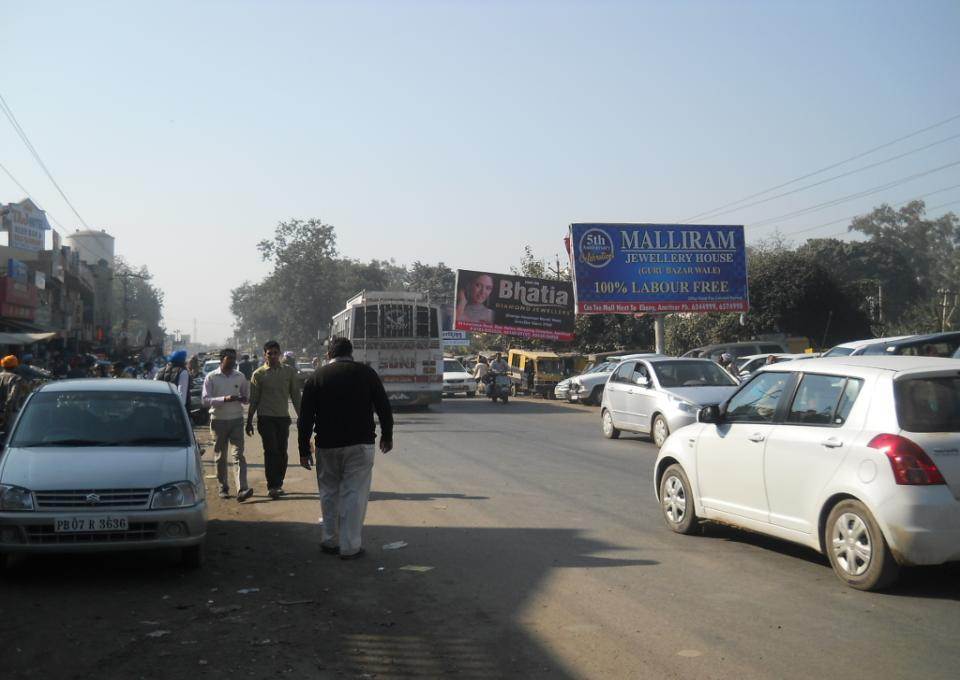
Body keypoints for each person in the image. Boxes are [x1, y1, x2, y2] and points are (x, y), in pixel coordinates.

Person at [297, 337, 393, 560]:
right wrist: (387, 436)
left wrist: (303, 449)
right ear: (351, 353)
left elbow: (305, 419)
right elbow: (384, 408)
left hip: (327, 445)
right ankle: (350, 546)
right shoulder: (367, 374)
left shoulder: (316, 377)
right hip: (360, 444)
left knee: (329, 492)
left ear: (329, 354)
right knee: (354, 494)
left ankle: (330, 540)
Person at [246, 340, 301, 499]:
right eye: (270, 353)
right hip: (265, 418)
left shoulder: (289, 372)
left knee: (282, 452)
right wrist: (249, 420)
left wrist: (302, 418)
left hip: (283, 418)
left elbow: (296, 396)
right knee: (271, 451)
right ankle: (273, 486)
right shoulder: (258, 374)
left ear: (280, 354)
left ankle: (279, 482)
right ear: (265, 355)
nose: (273, 356)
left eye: (276, 353)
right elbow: (254, 400)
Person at [203, 349, 253, 501]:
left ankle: (242, 489)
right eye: (229, 358)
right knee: (220, 456)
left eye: (233, 358)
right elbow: (205, 400)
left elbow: (246, 398)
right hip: (218, 419)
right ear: (221, 360)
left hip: (236, 419)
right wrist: (224, 399)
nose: (232, 361)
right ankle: (223, 487)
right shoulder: (211, 377)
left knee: (238, 454)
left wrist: (243, 399)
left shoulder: (240, 376)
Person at [0, 355, 27, 432]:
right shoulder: (16, 378)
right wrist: (7, 416)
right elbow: (11, 398)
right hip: (10, 413)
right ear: (15, 366)